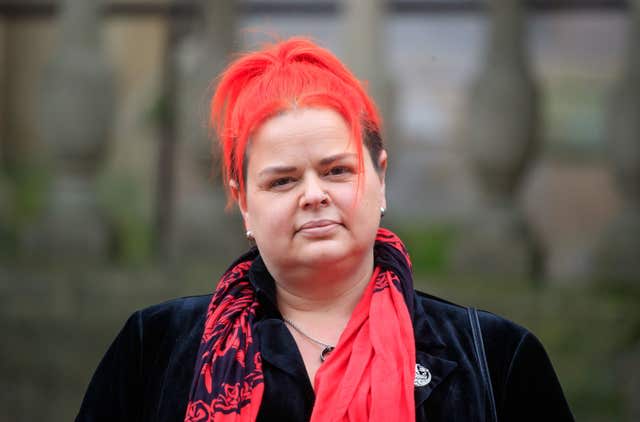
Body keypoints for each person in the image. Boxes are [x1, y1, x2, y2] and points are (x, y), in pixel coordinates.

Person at [76, 37, 574, 422]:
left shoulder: (494, 358)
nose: (313, 194)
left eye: (338, 171)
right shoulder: (155, 349)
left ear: (381, 179)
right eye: (283, 180)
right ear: (244, 203)